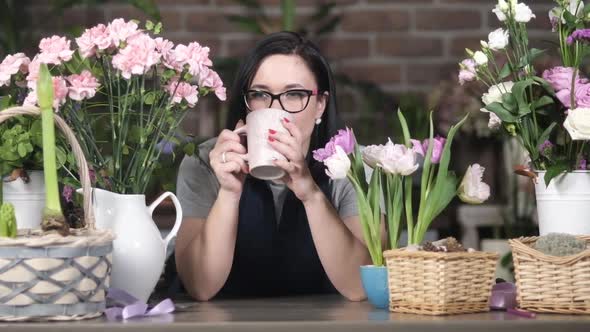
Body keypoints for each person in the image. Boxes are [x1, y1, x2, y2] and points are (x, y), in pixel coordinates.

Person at [174, 31, 373, 301]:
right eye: (260, 94)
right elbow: (200, 286)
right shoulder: (206, 162)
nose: (274, 109)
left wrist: (310, 193)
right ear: (246, 104)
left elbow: (360, 286)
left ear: (320, 106)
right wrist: (229, 193)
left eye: (294, 94)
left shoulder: (351, 167)